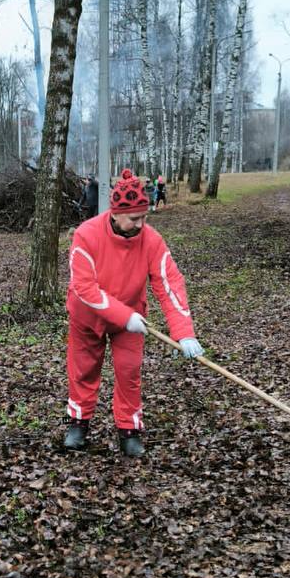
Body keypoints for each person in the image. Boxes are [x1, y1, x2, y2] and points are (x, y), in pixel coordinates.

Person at [64, 167, 205, 458]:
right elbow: (84, 287)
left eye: (144, 217)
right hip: (88, 318)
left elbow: (170, 283)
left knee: (129, 372)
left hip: (131, 319)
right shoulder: (86, 235)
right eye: (134, 218)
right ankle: (78, 424)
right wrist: (123, 315)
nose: (141, 224)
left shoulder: (151, 240)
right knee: (83, 371)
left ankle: (129, 430)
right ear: (114, 213)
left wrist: (184, 331)